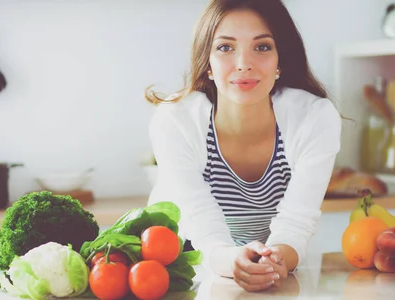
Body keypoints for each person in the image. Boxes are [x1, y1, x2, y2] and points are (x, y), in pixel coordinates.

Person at [144, 0, 342, 293]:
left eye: (262, 47)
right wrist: (230, 259)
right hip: (183, 266)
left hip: (269, 266)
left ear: (280, 61)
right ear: (207, 62)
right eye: (225, 47)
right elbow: (201, 226)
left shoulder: (315, 118)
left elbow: (297, 223)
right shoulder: (176, 120)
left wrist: (276, 259)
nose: (243, 63)